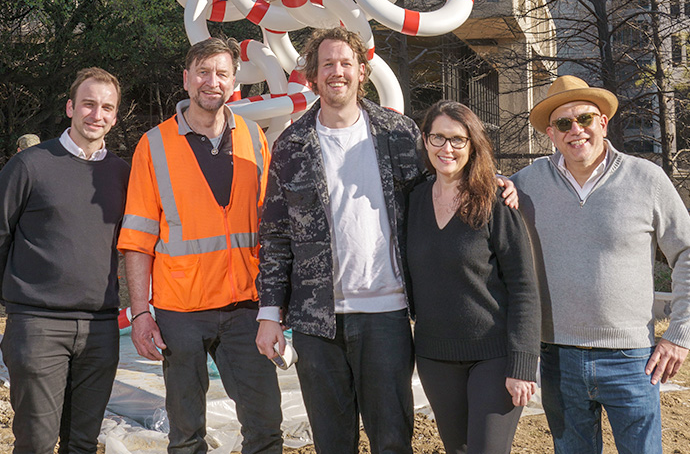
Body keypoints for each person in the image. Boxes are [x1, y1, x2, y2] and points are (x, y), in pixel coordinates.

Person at [254, 28, 518, 454]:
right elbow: (277, 235)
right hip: (315, 321)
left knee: (392, 440)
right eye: (327, 64)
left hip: (387, 315)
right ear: (312, 76)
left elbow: (444, 175)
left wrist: (495, 181)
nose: (336, 72)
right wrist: (270, 313)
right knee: (332, 443)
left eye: (345, 63)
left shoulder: (398, 133)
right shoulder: (290, 145)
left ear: (362, 71)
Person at [117, 37, 281, 453]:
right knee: (187, 435)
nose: (213, 82)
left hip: (246, 307)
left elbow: (270, 228)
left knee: (265, 429)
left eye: (222, 73)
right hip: (180, 312)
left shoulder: (252, 137)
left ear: (234, 81)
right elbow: (136, 240)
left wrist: (274, 306)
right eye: (204, 73)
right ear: (186, 79)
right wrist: (141, 313)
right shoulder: (153, 145)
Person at [512, 75, 690, 454]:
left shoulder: (647, 179)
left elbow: (687, 251)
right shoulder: (525, 184)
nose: (576, 130)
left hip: (633, 360)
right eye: (564, 123)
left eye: (585, 119)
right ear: (551, 133)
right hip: (557, 357)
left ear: (603, 122)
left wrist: (680, 332)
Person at [0, 67, 129, 454]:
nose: (97, 114)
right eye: (88, 104)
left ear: (115, 116)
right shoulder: (30, 165)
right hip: (38, 325)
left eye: (106, 107)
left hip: (101, 328)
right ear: (71, 107)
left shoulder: (123, 174)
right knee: (37, 442)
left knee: (83, 443)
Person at [407, 100, 540, 454]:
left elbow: (525, 287)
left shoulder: (495, 201)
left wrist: (523, 363)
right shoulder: (413, 200)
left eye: (457, 139)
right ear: (425, 139)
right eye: (437, 138)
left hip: (493, 357)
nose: (446, 148)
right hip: (436, 357)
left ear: (472, 144)